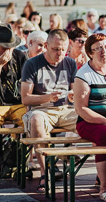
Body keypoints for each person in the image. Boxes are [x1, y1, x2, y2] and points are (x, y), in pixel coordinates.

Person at [21, 29, 78, 192]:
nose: (60, 53)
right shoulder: (32, 64)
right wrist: (48, 98)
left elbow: (74, 91)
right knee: (36, 120)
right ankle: (45, 172)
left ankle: (100, 175)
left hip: (66, 109)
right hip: (42, 109)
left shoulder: (70, 63)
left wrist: (75, 95)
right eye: (55, 49)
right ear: (46, 46)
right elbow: (25, 98)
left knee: (91, 118)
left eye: (63, 49)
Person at [73, 33, 106, 202]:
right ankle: (105, 187)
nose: (104, 51)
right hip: (90, 121)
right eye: (98, 49)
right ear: (90, 52)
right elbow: (81, 109)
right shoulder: (84, 75)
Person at [0, 24, 27, 177]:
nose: (7, 51)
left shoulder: (20, 56)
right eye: (4, 47)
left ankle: (23, 160)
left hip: (17, 103)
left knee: (33, 120)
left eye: (10, 47)